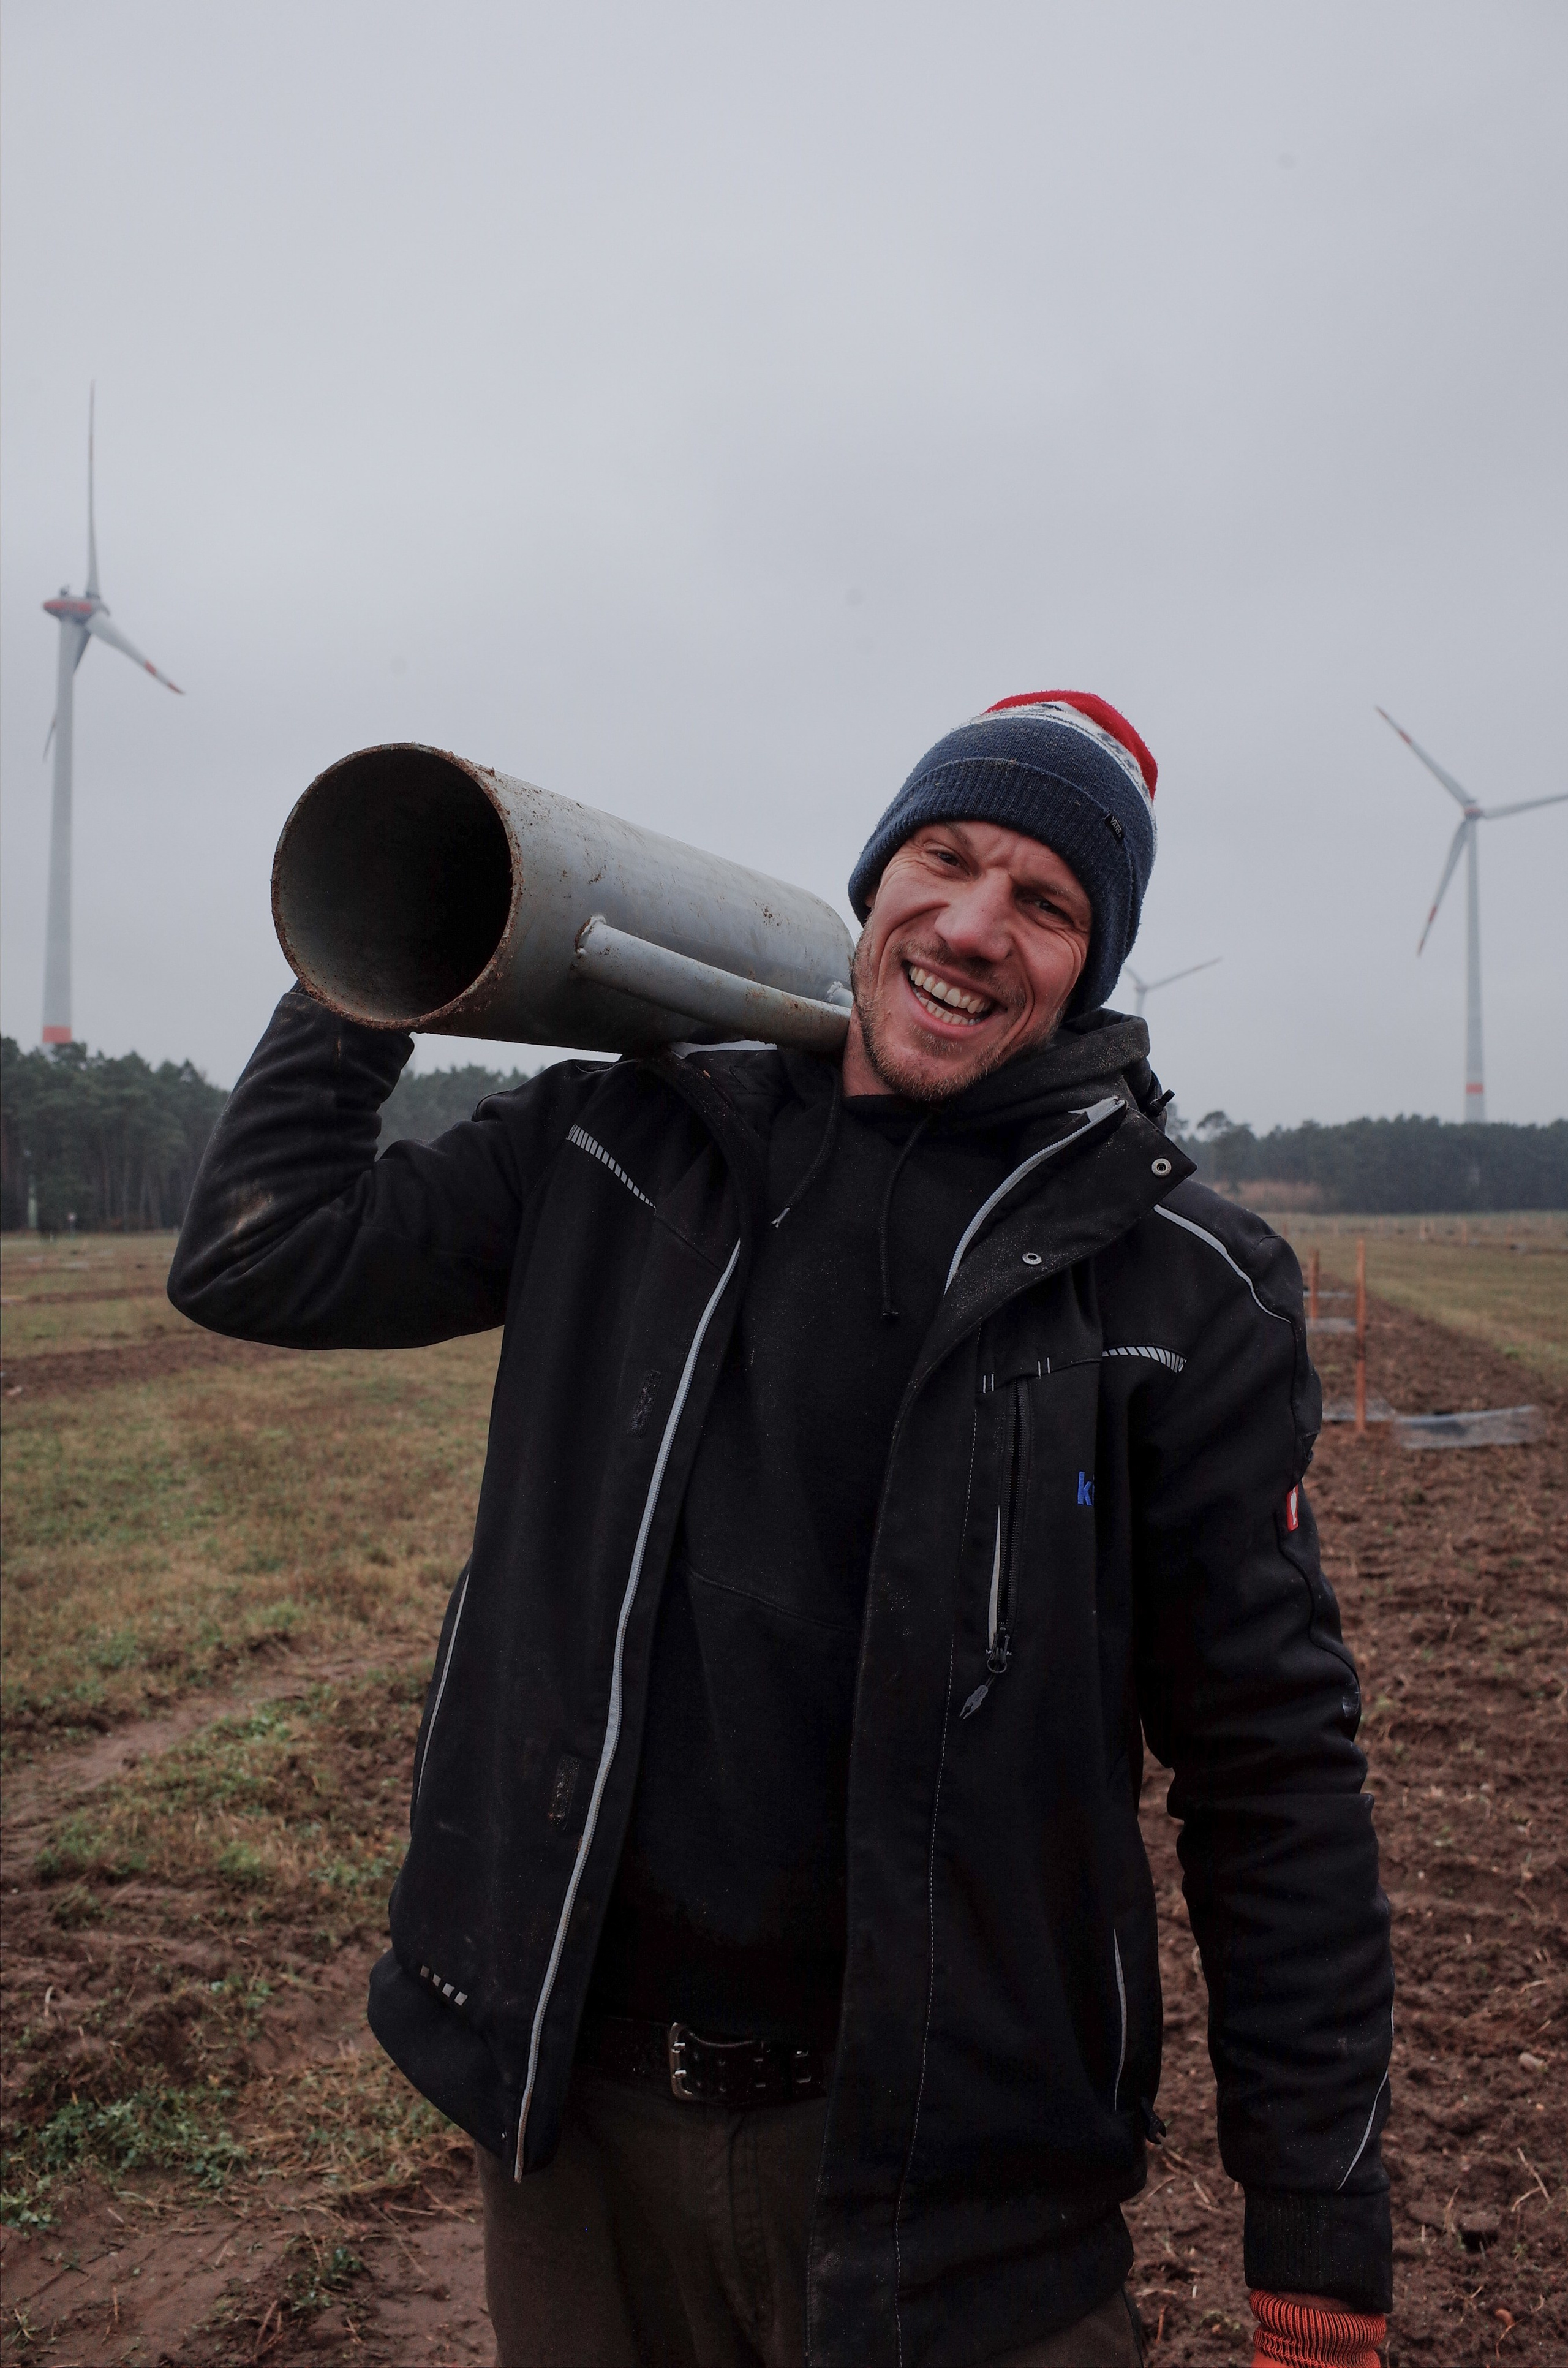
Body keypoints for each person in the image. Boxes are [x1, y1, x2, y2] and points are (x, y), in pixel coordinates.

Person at [170, 693, 1393, 2368]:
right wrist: (376, 945)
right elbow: (263, 1251)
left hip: (954, 2184)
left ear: (1092, 965)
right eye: (947, 861)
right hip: (583, 2133)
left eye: (1045, 902)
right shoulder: (627, 1136)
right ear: (876, 881)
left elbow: (1273, 1774)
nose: (975, 922)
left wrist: (1318, 2218)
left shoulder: (1179, 1282)